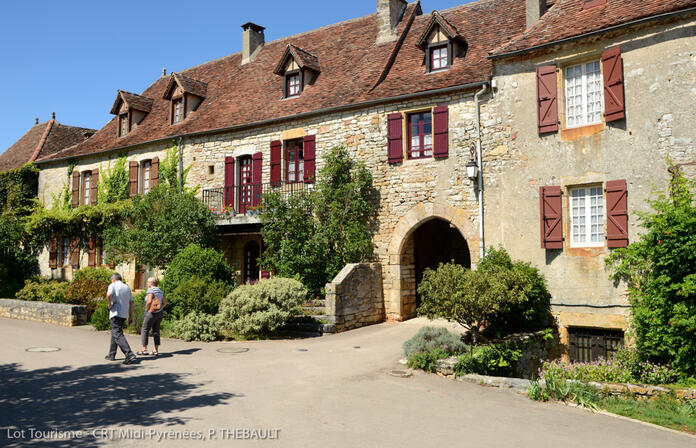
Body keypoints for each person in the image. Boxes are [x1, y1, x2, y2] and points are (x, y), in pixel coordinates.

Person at [105, 273, 137, 364]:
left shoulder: (112, 285)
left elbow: (108, 295)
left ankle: (129, 353)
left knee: (117, 333)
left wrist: (109, 304)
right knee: (115, 332)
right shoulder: (126, 287)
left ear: (113, 280)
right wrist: (131, 316)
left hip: (115, 312)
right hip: (124, 313)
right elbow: (131, 302)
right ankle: (111, 354)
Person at [139, 277, 167, 356]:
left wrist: (146, 309)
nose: (147, 283)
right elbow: (165, 302)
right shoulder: (160, 290)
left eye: (148, 282)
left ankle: (144, 349)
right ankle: (155, 350)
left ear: (151, 283)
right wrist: (160, 308)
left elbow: (149, 301)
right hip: (159, 313)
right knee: (156, 331)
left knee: (145, 329)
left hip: (151, 313)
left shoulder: (150, 290)